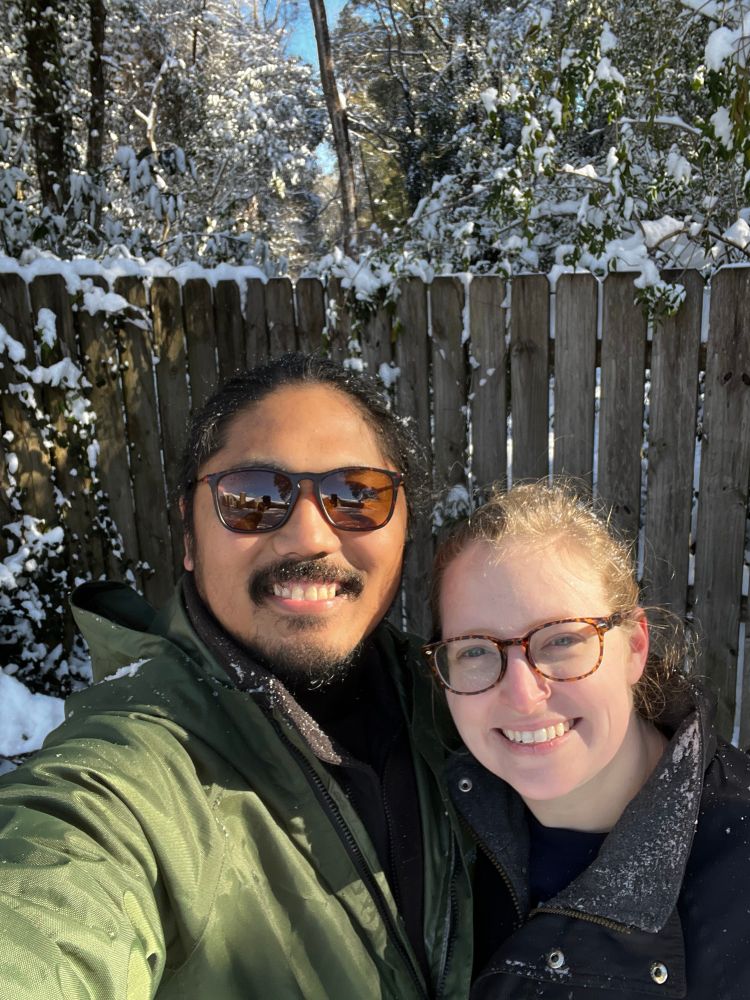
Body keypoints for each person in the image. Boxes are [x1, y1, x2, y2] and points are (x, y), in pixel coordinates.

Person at [0, 352, 473, 1000]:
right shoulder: (137, 772)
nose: (310, 536)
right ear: (189, 538)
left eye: (357, 496)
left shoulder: (472, 702)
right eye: (253, 497)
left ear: (404, 527)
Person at [424, 480, 750, 999]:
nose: (523, 695)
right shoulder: (429, 827)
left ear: (636, 647)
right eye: (476, 651)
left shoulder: (734, 871)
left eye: (561, 640)